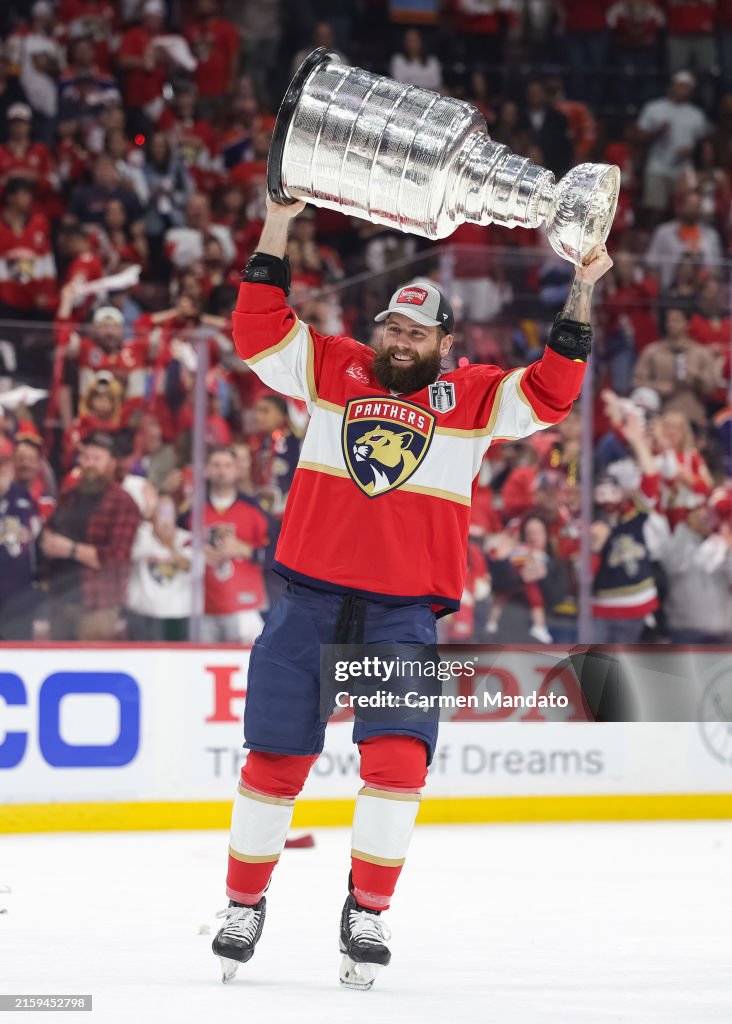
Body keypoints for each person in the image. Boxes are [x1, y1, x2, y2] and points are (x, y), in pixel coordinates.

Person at [210, 195, 613, 985]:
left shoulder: (473, 398)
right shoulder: (333, 368)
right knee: (275, 762)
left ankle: (366, 911)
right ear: (379, 331)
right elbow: (258, 329)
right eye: (391, 327)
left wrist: (583, 286)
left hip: (402, 612)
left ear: (443, 342)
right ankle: (243, 902)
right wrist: (278, 222)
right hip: (309, 601)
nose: (400, 340)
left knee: (397, 762)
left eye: (416, 332)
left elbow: (553, 392)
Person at [40, 431, 140, 641]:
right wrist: (46, 541)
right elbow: (50, 531)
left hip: (98, 605)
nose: (90, 464)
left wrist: (70, 549)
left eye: (97, 459)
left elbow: (117, 557)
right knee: (58, 664)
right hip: (61, 597)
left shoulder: (122, 502)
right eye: (86, 457)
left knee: (90, 667)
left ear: (111, 463)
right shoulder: (68, 495)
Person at [202, 446, 270, 644]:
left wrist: (246, 550)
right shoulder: (194, 509)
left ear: (237, 470)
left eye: (227, 465)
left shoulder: (254, 509)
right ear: (206, 469)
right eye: (216, 465)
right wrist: (196, 554)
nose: (221, 470)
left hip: (245, 606)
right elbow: (180, 544)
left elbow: (277, 553)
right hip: (205, 607)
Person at [637, 71, 708, 217]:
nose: (685, 90)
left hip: (684, 169)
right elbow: (639, 138)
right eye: (682, 85)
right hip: (657, 166)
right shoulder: (654, 108)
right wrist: (658, 133)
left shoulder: (696, 114)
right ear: (672, 86)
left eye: (689, 87)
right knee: (655, 210)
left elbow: (702, 144)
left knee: (683, 209)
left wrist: (692, 152)